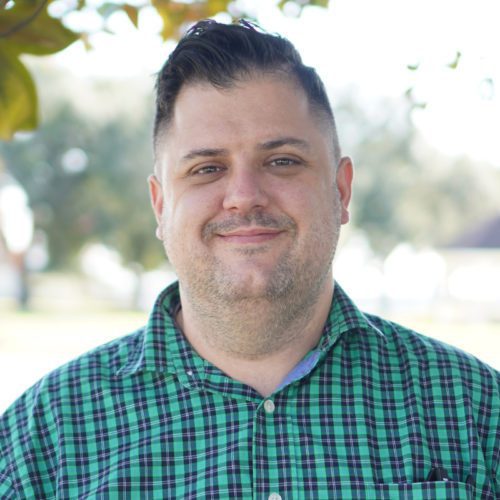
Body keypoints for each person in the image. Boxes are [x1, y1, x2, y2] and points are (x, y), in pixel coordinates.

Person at [1, 19, 499, 499]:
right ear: (160, 205)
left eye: (281, 161)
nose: (243, 196)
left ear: (341, 190)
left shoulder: (476, 410)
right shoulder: (41, 441)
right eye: (207, 168)